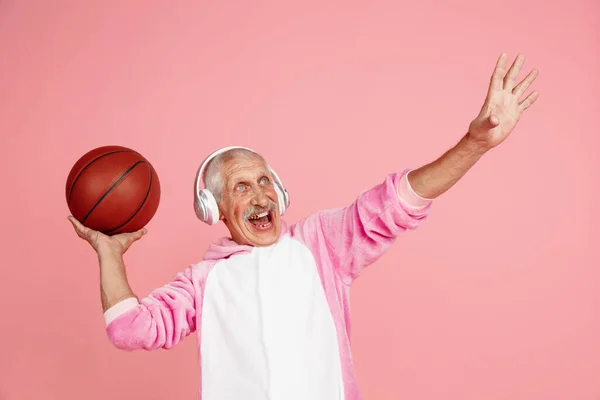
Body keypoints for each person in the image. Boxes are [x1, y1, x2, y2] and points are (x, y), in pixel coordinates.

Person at [68, 53, 538, 400]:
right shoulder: (201, 283)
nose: (260, 196)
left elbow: (396, 201)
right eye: (240, 188)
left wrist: (473, 145)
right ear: (214, 208)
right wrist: (109, 253)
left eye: (265, 181)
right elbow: (130, 330)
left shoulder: (321, 245)